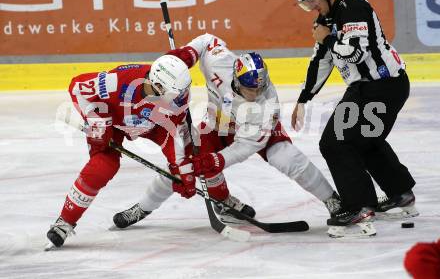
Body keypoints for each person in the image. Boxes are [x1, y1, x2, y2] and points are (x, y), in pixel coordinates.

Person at [113, 33, 341, 227]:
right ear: (236, 78)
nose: (257, 92)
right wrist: (187, 54)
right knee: (181, 166)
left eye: (261, 86)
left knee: (288, 158)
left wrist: (217, 160)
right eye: (251, 88)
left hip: (249, 134)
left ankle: (332, 200)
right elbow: (206, 41)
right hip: (214, 126)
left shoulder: (266, 105)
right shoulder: (220, 63)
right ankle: (144, 208)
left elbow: (247, 145)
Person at [291, 0, 417, 237]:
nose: (312, 7)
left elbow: (356, 53)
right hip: (370, 88)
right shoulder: (325, 19)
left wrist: (327, 39)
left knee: (335, 142)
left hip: (383, 87)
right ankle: (400, 193)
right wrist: (304, 98)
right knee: (364, 140)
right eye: (306, 3)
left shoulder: (353, 8)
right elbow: (321, 61)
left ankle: (359, 206)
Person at [46, 54, 202, 248]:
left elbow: (175, 132)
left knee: (186, 165)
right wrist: (96, 120)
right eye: (174, 94)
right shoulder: (118, 82)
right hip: (113, 123)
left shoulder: (178, 95)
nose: (178, 99)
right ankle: (65, 221)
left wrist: (181, 165)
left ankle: (145, 208)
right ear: (157, 85)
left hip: (157, 126)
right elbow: (77, 86)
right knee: (103, 166)